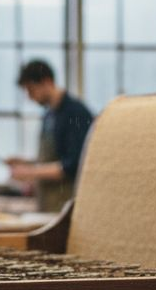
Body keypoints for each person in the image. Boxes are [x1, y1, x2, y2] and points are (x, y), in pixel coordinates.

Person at [10, 59, 94, 212]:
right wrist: (26, 162)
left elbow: (73, 165)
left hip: (67, 205)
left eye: (31, 90)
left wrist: (30, 172)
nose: (30, 97)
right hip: (47, 203)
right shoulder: (49, 114)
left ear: (47, 82)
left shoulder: (75, 113)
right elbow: (53, 158)